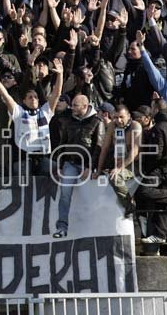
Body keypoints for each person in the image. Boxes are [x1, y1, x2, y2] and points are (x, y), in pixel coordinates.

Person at [0, 59, 64, 177]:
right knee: (22, 186)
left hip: (42, 157)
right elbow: (5, 95)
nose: (33, 99)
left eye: (35, 97)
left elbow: (56, 94)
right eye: (30, 97)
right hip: (23, 159)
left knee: (55, 168)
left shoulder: (45, 112)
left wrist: (60, 74)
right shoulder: (18, 112)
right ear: (24, 101)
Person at [53, 94, 105, 238]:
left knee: (91, 197)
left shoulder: (96, 121)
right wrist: (60, 164)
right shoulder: (68, 121)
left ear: (85, 106)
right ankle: (61, 227)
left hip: (86, 165)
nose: (72, 107)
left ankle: (94, 228)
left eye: (75, 105)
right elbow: (63, 143)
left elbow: (98, 147)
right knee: (65, 194)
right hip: (70, 163)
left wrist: (90, 167)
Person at [136, 108, 167, 246]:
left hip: (161, 168)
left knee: (143, 190)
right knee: (162, 202)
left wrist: (148, 168)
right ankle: (160, 235)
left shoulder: (159, 128)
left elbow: (156, 154)